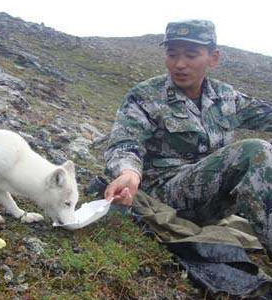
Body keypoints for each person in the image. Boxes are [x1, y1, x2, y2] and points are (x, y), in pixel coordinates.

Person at [104, 19, 272, 252]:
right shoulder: (145, 95)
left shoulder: (226, 97)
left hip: (213, 201)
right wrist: (129, 172)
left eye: (191, 55)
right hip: (166, 196)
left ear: (213, 58)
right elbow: (125, 143)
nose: (179, 64)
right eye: (172, 55)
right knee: (256, 151)